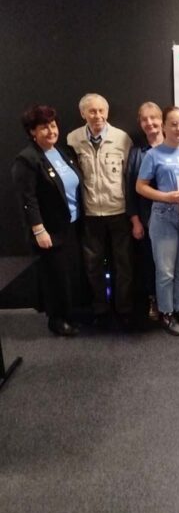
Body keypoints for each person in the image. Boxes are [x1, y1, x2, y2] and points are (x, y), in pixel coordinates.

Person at [11, 105, 85, 336]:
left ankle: (69, 314)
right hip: (49, 229)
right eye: (44, 127)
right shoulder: (27, 159)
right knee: (55, 277)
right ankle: (57, 320)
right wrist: (39, 230)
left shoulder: (61, 152)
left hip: (71, 224)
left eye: (53, 126)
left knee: (67, 274)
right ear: (32, 131)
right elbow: (27, 199)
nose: (51, 131)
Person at [67, 93, 134, 327]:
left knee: (123, 264)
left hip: (118, 211)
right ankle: (100, 308)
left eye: (101, 111)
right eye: (92, 111)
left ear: (107, 112)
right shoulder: (73, 139)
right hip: (90, 213)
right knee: (92, 264)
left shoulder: (122, 138)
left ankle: (123, 308)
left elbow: (129, 175)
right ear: (82, 113)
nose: (97, 116)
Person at [136, 106, 179, 336]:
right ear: (164, 126)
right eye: (173, 124)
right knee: (165, 271)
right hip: (164, 216)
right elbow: (140, 186)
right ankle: (166, 312)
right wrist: (165, 196)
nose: (178, 128)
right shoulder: (153, 155)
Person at [125, 102, 164, 323]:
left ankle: (176, 304)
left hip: (175, 218)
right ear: (140, 124)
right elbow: (130, 189)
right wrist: (135, 221)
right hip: (148, 219)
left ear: (162, 120)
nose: (150, 123)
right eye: (144, 119)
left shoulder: (177, 149)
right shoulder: (136, 154)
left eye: (154, 118)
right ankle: (154, 300)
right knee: (151, 263)